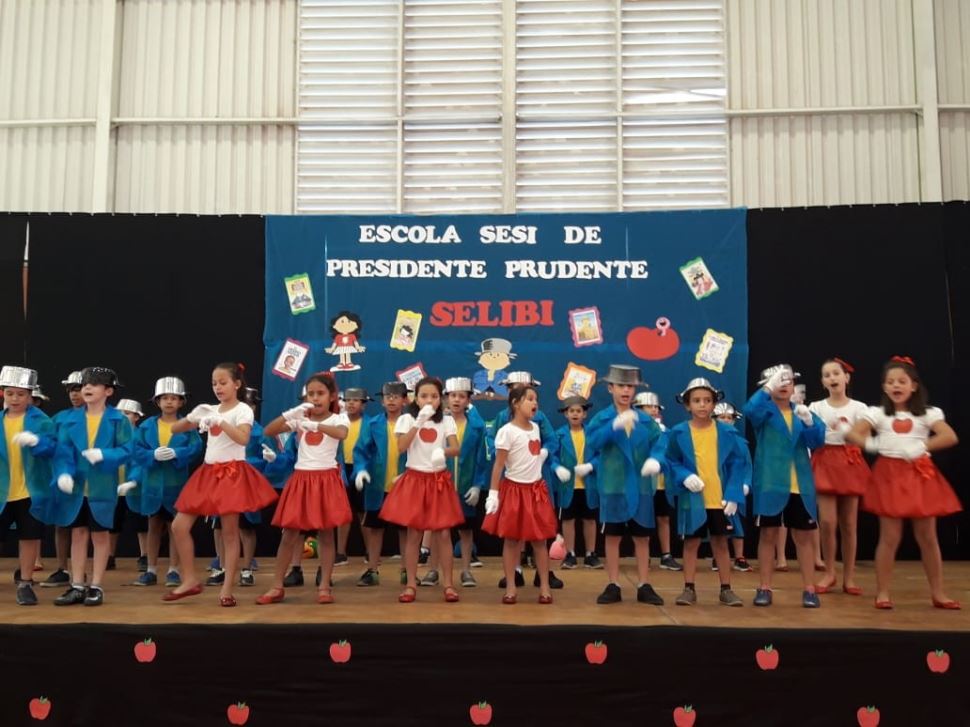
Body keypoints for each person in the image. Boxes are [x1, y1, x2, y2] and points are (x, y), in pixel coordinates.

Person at [846, 356, 961, 609]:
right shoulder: (877, 413)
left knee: (928, 537)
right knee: (889, 537)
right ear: (884, 387)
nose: (895, 386)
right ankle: (883, 592)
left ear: (914, 385)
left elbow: (949, 436)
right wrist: (872, 444)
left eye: (901, 381)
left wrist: (922, 445)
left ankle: (938, 593)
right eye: (890, 382)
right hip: (889, 476)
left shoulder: (928, 414)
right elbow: (853, 433)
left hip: (919, 475)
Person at [162, 362, 278, 607]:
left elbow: (243, 438)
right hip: (208, 473)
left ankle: (227, 590)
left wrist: (219, 421)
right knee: (179, 526)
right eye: (214, 383)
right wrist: (194, 416)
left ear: (236, 384)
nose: (218, 387)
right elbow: (174, 427)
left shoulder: (243, 410)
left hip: (232, 473)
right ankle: (190, 579)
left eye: (223, 382)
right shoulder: (210, 409)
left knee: (229, 533)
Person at [257, 372, 351, 605]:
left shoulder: (339, 419)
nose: (315, 398)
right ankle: (277, 585)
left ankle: (324, 586)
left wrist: (316, 425)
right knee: (289, 534)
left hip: (326, 480)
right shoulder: (300, 418)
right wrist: (290, 415)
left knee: (327, 535)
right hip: (301, 479)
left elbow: (342, 434)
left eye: (321, 393)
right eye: (311, 393)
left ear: (331, 397)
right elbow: (268, 431)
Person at [50, 367, 134, 606]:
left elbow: (128, 451)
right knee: (77, 534)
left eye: (94, 384)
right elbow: (63, 452)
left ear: (108, 391)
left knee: (99, 535)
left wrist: (104, 454)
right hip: (76, 488)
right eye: (84, 384)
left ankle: (96, 585)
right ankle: (76, 584)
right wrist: (64, 474)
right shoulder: (69, 419)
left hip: (102, 487)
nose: (87, 388)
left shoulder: (119, 420)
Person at [743, 364, 825, 608]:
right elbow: (750, 409)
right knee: (768, 534)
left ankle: (810, 589)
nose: (784, 385)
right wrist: (768, 387)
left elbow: (817, 442)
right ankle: (764, 587)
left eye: (788, 381)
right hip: (770, 482)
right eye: (779, 381)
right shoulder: (764, 412)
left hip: (799, 484)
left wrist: (810, 422)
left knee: (804, 537)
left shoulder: (801, 411)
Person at [586, 365, 666, 606]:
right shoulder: (602, 418)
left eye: (630, 386)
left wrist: (655, 459)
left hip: (640, 487)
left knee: (642, 537)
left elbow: (660, 444)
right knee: (612, 537)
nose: (626, 390)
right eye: (621, 385)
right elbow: (592, 442)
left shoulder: (645, 420)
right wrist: (613, 427)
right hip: (612, 485)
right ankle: (613, 584)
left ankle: (644, 584)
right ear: (610, 388)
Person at [379, 377, 463, 603]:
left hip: (438, 480)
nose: (429, 400)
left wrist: (443, 453)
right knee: (414, 534)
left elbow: (455, 448)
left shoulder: (446, 421)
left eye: (434, 396)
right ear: (416, 397)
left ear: (440, 399)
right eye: (424, 396)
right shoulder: (406, 419)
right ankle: (410, 584)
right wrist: (419, 423)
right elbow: (401, 447)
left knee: (443, 534)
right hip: (415, 479)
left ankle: (448, 584)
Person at [665, 378, 746, 607]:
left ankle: (726, 589)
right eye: (697, 401)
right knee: (691, 543)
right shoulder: (678, 432)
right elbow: (671, 461)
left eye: (707, 400)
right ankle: (689, 588)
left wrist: (733, 494)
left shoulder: (727, 432)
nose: (702, 405)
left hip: (719, 500)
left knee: (721, 543)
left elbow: (736, 464)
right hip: (693, 499)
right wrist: (684, 476)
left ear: (714, 404)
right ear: (687, 405)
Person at [483, 383, 558, 605]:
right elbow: (498, 465)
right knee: (512, 540)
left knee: (540, 541)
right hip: (514, 490)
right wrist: (493, 494)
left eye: (536, 399)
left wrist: (543, 454)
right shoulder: (506, 431)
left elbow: (536, 451)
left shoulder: (535, 428)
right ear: (516, 403)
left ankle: (544, 586)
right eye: (530, 399)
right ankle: (511, 587)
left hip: (535, 490)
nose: (535, 403)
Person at [128, 377, 202, 587]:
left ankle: (173, 569)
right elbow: (136, 449)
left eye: (174, 398)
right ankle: (150, 569)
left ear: (181, 402)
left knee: (175, 527)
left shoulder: (187, 425)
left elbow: (196, 448)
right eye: (165, 398)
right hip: (152, 484)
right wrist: (152, 455)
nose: (169, 402)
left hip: (176, 484)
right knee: (153, 526)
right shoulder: (146, 426)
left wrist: (176, 453)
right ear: (157, 401)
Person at [808, 358, 870, 596]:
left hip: (849, 462)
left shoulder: (860, 408)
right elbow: (811, 437)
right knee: (827, 521)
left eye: (836, 373)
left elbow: (863, 437)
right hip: (825, 461)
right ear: (823, 382)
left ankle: (849, 577)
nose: (832, 378)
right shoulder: (816, 407)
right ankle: (829, 572)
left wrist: (849, 433)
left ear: (847, 377)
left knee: (849, 523)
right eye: (827, 375)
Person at [0, 366, 56, 605]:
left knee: (29, 536)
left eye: (21, 394)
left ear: (31, 395)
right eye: (10, 393)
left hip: (31, 490)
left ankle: (25, 582)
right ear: (3, 393)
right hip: (3, 490)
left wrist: (37, 442)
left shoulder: (41, 421)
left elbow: (53, 447)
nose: (15, 398)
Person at [351, 382, 409, 587]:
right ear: (382, 400)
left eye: (396, 396)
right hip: (378, 485)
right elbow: (361, 451)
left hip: (405, 486)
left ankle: (407, 570)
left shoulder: (411, 424)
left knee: (406, 530)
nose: (391, 400)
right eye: (387, 396)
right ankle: (372, 569)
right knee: (375, 529)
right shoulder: (373, 424)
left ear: (405, 399)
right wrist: (361, 470)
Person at [39, 371, 85, 589]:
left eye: (78, 389)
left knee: (85, 529)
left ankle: (81, 572)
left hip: (87, 480)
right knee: (61, 524)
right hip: (61, 478)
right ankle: (62, 569)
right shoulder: (59, 418)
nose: (74, 395)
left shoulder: (98, 417)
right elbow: (49, 446)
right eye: (71, 391)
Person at [634, 391, 681, 572]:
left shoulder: (666, 432)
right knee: (641, 520)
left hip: (663, 483)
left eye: (655, 407)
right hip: (643, 484)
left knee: (664, 518)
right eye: (648, 406)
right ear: (638, 409)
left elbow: (671, 455)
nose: (653, 410)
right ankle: (642, 556)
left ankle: (666, 555)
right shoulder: (634, 431)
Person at [553, 396, 600, 570]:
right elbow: (552, 457)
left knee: (589, 520)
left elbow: (600, 456)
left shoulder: (592, 435)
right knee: (568, 520)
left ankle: (590, 554)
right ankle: (570, 553)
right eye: (571, 411)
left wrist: (590, 466)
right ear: (565, 414)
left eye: (578, 411)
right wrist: (557, 468)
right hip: (567, 486)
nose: (575, 414)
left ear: (585, 414)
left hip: (589, 485)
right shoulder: (559, 435)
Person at [714, 402, 753, 572]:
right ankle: (718, 557)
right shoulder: (709, 440)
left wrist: (745, 483)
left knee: (736, 522)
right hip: (715, 489)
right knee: (717, 525)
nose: (725, 420)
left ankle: (739, 556)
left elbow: (747, 465)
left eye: (728, 418)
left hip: (734, 488)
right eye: (721, 417)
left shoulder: (740, 442)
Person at [110, 398, 148, 571]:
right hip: (114, 488)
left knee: (141, 524)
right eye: (119, 414)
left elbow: (143, 461)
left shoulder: (142, 436)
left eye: (127, 413)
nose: (123, 417)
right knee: (112, 524)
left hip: (136, 488)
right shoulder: (111, 436)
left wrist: (134, 480)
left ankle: (144, 555)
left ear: (136, 417)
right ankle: (109, 556)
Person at [335, 386, 371, 569]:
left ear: (363, 404)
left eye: (356, 400)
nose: (351, 403)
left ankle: (370, 551)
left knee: (363, 512)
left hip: (362, 471)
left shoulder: (370, 424)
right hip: (340, 469)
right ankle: (340, 553)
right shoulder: (337, 423)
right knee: (343, 513)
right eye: (348, 400)